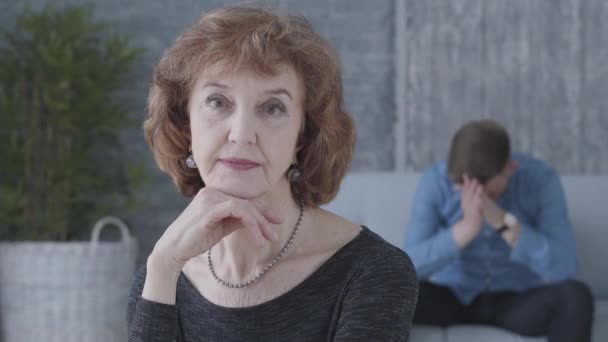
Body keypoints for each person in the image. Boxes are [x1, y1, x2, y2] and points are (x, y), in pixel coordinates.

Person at [127, 5, 418, 342]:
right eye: (218, 102)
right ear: (185, 123)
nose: (242, 133)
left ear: (303, 136)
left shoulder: (374, 272)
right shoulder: (160, 277)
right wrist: (163, 266)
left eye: (272, 108)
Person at [404, 119, 594, 341]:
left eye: (488, 193)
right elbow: (407, 267)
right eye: (466, 189)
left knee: (575, 296)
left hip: (516, 300)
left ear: (510, 168)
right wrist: (464, 231)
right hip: (452, 296)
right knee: (382, 287)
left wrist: (504, 223)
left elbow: (565, 266)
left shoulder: (541, 179)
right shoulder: (435, 181)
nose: (478, 198)